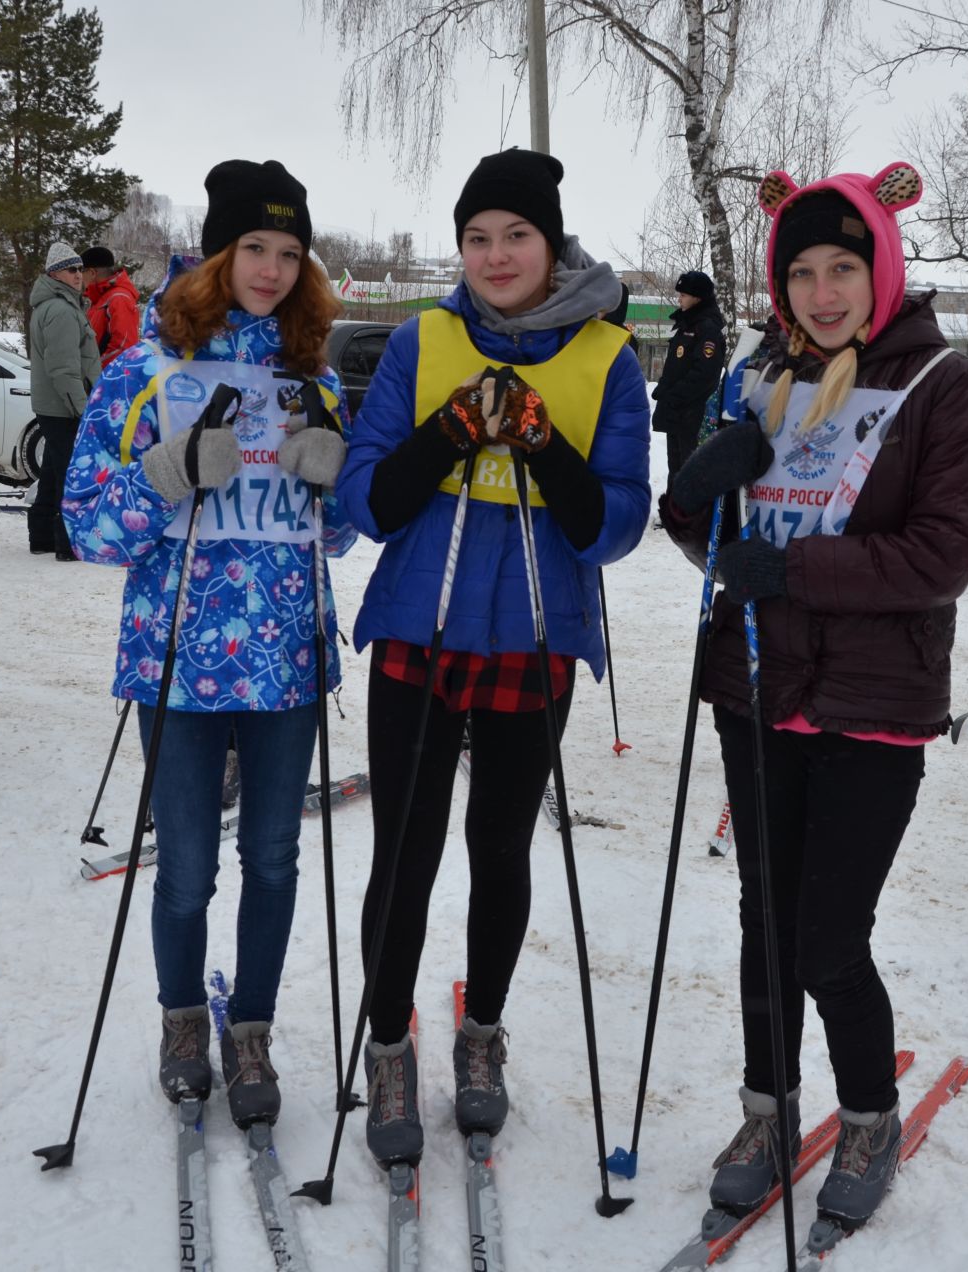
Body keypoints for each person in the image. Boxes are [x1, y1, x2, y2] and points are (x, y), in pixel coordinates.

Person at [657, 161, 968, 1234]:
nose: (821, 290)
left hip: (873, 707)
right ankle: (767, 1109)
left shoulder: (939, 381)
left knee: (828, 939)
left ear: (881, 267)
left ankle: (866, 1115)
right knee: (764, 924)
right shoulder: (761, 375)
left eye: (843, 265)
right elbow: (716, 544)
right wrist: (696, 493)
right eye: (799, 270)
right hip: (759, 692)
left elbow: (940, 556)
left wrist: (789, 572)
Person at [334, 147, 650, 1167]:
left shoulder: (607, 354)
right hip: (418, 632)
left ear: (551, 242)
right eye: (476, 237)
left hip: (532, 636)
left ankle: (481, 1037)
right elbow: (369, 502)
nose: (495, 254)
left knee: (500, 849)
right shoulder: (424, 338)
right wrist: (453, 428)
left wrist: (545, 446)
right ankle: (389, 1046)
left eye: (515, 234)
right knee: (406, 853)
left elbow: (615, 527)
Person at [62, 159, 354, 1125]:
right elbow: (87, 525)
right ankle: (184, 1018)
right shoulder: (145, 370)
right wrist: (167, 474)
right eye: (253, 248)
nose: (270, 269)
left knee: (274, 860)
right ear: (217, 253)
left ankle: (252, 1031)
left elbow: (338, 531)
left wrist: (331, 483)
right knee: (185, 865)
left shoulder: (308, 375)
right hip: (177, 659)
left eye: (288, 252)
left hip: (288, 664)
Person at [28, 242, 100, 559]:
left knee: (53, 472)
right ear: (55, 273)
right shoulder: (60, 310)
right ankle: (66, 543)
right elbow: (64, 369)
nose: (78, 275)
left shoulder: (60, 306)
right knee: (69, 475)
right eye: (72, 269)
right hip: (64, 407)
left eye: (80, 269)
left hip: (55, 405)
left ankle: (41, 536)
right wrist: (83, 408)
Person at [652, 269, 727, 480]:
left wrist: (674, 394)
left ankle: (685, 512)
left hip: (692, 415)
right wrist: (664, 389)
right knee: (675, 471)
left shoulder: (707, 329)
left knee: (688, 473)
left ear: (698, 298)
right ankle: (672, 511)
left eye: (683, 295)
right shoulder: (687, 324)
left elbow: (705, 373)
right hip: (677, 413)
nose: (679, 299)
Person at [81, 244, 141, 367]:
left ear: (92, 272)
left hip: (106, 381)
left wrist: (92, 372)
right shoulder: (101, 299)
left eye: (81, 271)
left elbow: (123, 348)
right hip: (97, 380)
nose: (78, 276)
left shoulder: (118, 298)